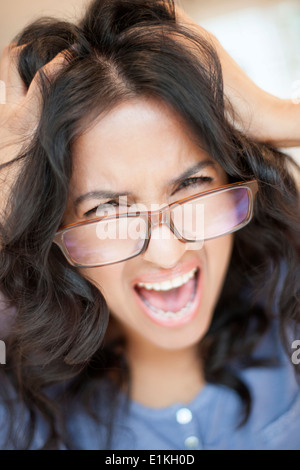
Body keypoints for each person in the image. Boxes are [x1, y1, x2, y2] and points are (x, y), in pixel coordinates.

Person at [0, 0, 299, 450]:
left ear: (232, 176)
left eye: (193, 184)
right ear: (53, 227)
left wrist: (280, 117)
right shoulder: (17, 404)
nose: (167, 252)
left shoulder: (288, 310)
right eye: (108, 210)